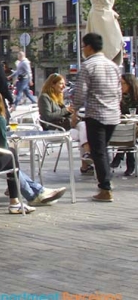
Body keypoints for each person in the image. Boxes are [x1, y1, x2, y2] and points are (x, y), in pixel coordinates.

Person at [0, 89, 66, 213]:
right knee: (11, 154)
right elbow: (2, 148)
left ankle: (38, 191)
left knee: (12, 165)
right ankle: (16, 202)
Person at [72, 33, 122, 202]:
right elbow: (119, 92)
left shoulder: (88, 66)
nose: (83, 50)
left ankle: (105, 188)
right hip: (113, 114)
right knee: (103, 150)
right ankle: (106, 182)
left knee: (98, 151)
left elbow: (80, 93)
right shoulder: (113, 65)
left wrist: (75, 111)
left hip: (96, 114)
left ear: (89, 47)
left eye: (83, 46)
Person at [39, 73, 91, 174]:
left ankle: (87, 157)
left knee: (83, 126)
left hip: (64, 128)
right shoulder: (44, 98)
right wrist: (66, 110)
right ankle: (86, 163)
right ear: (52, 84)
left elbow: (63, 114)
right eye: (61, 83)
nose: (64, 86)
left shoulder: (58, 97)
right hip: (54, 130)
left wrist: (74, 115)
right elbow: (48, 116)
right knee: (84, 135)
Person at [110, 73, 138, 176]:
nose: (121, 86)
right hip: (124, 126)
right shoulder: (119, 97)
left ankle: (119, 156)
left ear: (130, 84)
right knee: (127, 130)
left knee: (131, 129)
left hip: (135, 126)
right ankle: (130, 164)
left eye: (123, 84)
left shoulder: (136, 96)